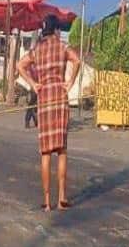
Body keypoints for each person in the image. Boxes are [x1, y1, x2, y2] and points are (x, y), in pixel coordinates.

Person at [17, 15, 81, 212]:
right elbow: (77, 60)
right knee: (61, 151)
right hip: (60, 98)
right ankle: (62, 198)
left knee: (45, 152)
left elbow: (20, 65)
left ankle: (46, 202)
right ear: (56, 31)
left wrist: (34, 84)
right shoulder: (62, 47)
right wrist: (69, 82)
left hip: (44, 99)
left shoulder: (36, 50)